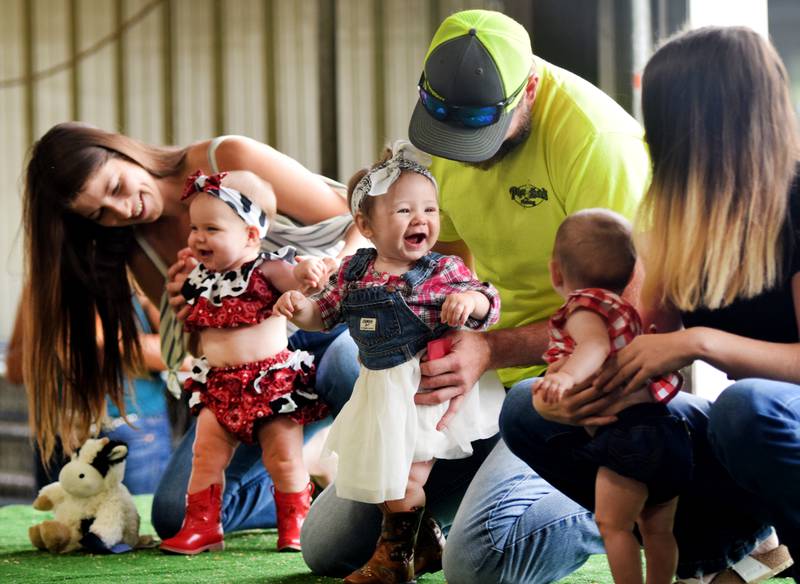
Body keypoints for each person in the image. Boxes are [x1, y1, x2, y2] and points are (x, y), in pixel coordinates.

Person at [301, 9, 652, 583]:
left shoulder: (597, 143)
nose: (464, 151)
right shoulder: (444, 138)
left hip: (573, 383)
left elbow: (630, 315)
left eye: (482, 132)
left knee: (480, 566)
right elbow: (448, 262)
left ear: (529, 87)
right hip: (479, 369)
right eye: (450, 133)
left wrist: (491, 348)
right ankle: (445, 509)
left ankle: (637, 502)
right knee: (329, 547)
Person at [502, 25, 798, 584]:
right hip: (748, 436)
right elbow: (638, 338)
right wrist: (570, 390)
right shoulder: (675, 210)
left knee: (746, 409)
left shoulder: (796, 197)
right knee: (524, 409)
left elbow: (689, 347)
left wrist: (698, 342)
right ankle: (723, 557)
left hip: (775, 426)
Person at [20, 123, 362, 542]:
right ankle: (314, 478)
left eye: (116, 186)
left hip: (339, 322)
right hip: (258, 375)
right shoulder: (139, 249)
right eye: (100, 214)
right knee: (173, 515)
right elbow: (197, 348)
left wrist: (331, 270)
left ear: (122, 152)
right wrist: (187, 316)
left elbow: (363, 218)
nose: (123, 209)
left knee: (345, 366)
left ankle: (402, 498)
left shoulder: (228, 158)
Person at [275, 141, 504, 582]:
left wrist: (468, 300)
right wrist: (295, 305)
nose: (421, 219)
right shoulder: (353, 272)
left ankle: (393, 561)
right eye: (404, 212)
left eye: (430, 210)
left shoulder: (444, 271)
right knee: (382, 474)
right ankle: (425, 544)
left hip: (424, 391)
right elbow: (322, 314)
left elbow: (489, 300)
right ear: (366, 225)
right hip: (380, 392)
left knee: (403, 480)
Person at [157, 170, 331, 555]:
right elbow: (189, 325)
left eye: (212, 229)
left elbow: (303, 285)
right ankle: (203, 525)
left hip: (269, 383)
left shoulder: (268, 269)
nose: (199, 237)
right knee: (205, 456)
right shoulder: (200, 278)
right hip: (218, 384)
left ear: (251, 235)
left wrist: (307, 274)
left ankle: (296, 522)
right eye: (194, 227)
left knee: (282, 458)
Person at [533, 208, 690, 584]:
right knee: (657, 530)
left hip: (628, 438)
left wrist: (567, 375)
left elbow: (594, 346)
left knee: (614, 526)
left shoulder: (583, 307)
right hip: (667, 433)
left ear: (556, 271)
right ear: (632, 273)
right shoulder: (627, 312)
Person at [7, 291, 174, 495]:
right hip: (61, 433)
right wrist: (49, 342)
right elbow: (14, 371)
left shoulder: (139, 277)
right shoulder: (44, 283)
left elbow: (184, 356)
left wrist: (107, 338)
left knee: (138, 520)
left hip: (133, 433)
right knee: (59, 521)